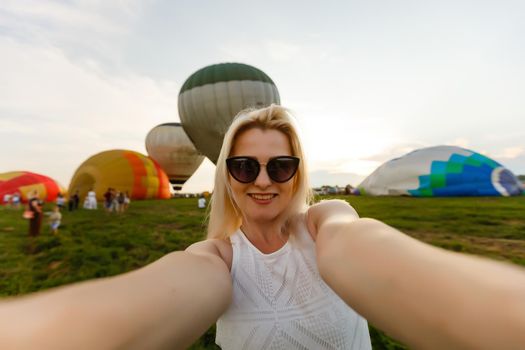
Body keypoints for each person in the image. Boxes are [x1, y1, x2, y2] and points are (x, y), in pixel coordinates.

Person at [1, 106, 525, 350]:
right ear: (225, 172)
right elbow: (155, 296)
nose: (262, 181)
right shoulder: (216, 260)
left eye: (281, 166)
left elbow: (364, 248)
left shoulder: (327, 226)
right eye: (244, 166)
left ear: (299, 172)